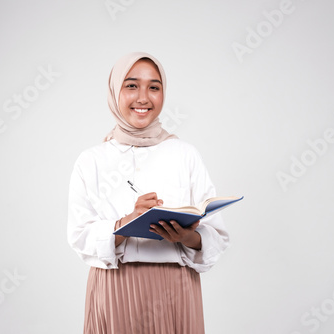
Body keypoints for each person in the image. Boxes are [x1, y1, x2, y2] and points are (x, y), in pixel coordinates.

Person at [67, 52, 229, 333]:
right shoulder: (91, 160)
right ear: (114, 91)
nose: (143, 98)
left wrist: (188, 236)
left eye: (154, 87)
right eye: (131, 86)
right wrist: (124, 224)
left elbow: (216, 236)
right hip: (114, 287)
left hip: (176, 288)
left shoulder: (185, 154)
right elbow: (79, 236)